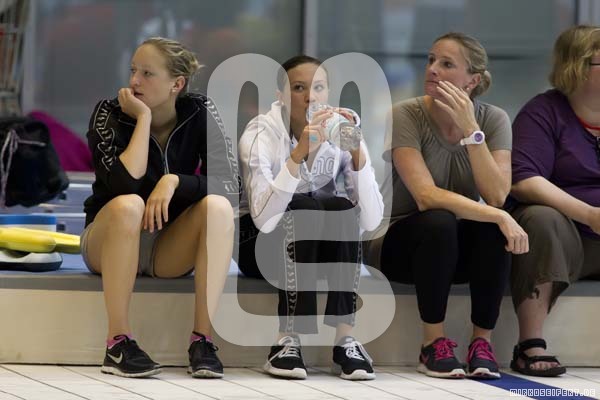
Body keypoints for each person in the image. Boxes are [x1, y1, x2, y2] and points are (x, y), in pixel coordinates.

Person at [363, 32, 529, 379]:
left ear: (473, 81)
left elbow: (497, 195)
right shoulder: (406, 114)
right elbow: (425, 195)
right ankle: (432, 344)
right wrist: (498, 215)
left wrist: (471, 130)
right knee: (441, 220)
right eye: (431, 60)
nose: (433, 69)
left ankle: (481, 343)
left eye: (447, 64)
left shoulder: (493, 120)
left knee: (490, 227)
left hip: (452, 250)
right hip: (397, 246)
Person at [81, 37, 239, 378]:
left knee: (218, 208)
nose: (134, 81)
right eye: (133, 71)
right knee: (129, 205)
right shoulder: (109, 113)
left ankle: (202, 341)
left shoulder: (199, 111)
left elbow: (231, 186)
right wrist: (143, 119)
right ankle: (118, 343)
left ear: (176, 84)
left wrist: (175, 181)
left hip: (167, 248)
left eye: (147, 73)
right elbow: (124, 185)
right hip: (107, 241)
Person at [237, 55, 384, 380]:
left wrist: (357, 154)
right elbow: (264, 219)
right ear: (281, 96)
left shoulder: (342, 129)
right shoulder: (261, 133)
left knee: (341, 208)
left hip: (313, 243)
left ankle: (345, 340)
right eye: (299, 88)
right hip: (258, 244)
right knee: (306, 207)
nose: (310, 97)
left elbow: (372, 221)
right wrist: (297, 154)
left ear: (328, 93)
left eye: (318, 88)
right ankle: (286, 340)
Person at [508, 25, 600, 377]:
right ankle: (529, 344)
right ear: (578, 67)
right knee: (540, 218)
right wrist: (589, 214)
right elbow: (524, 180)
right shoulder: (544, 112)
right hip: (569, 239)